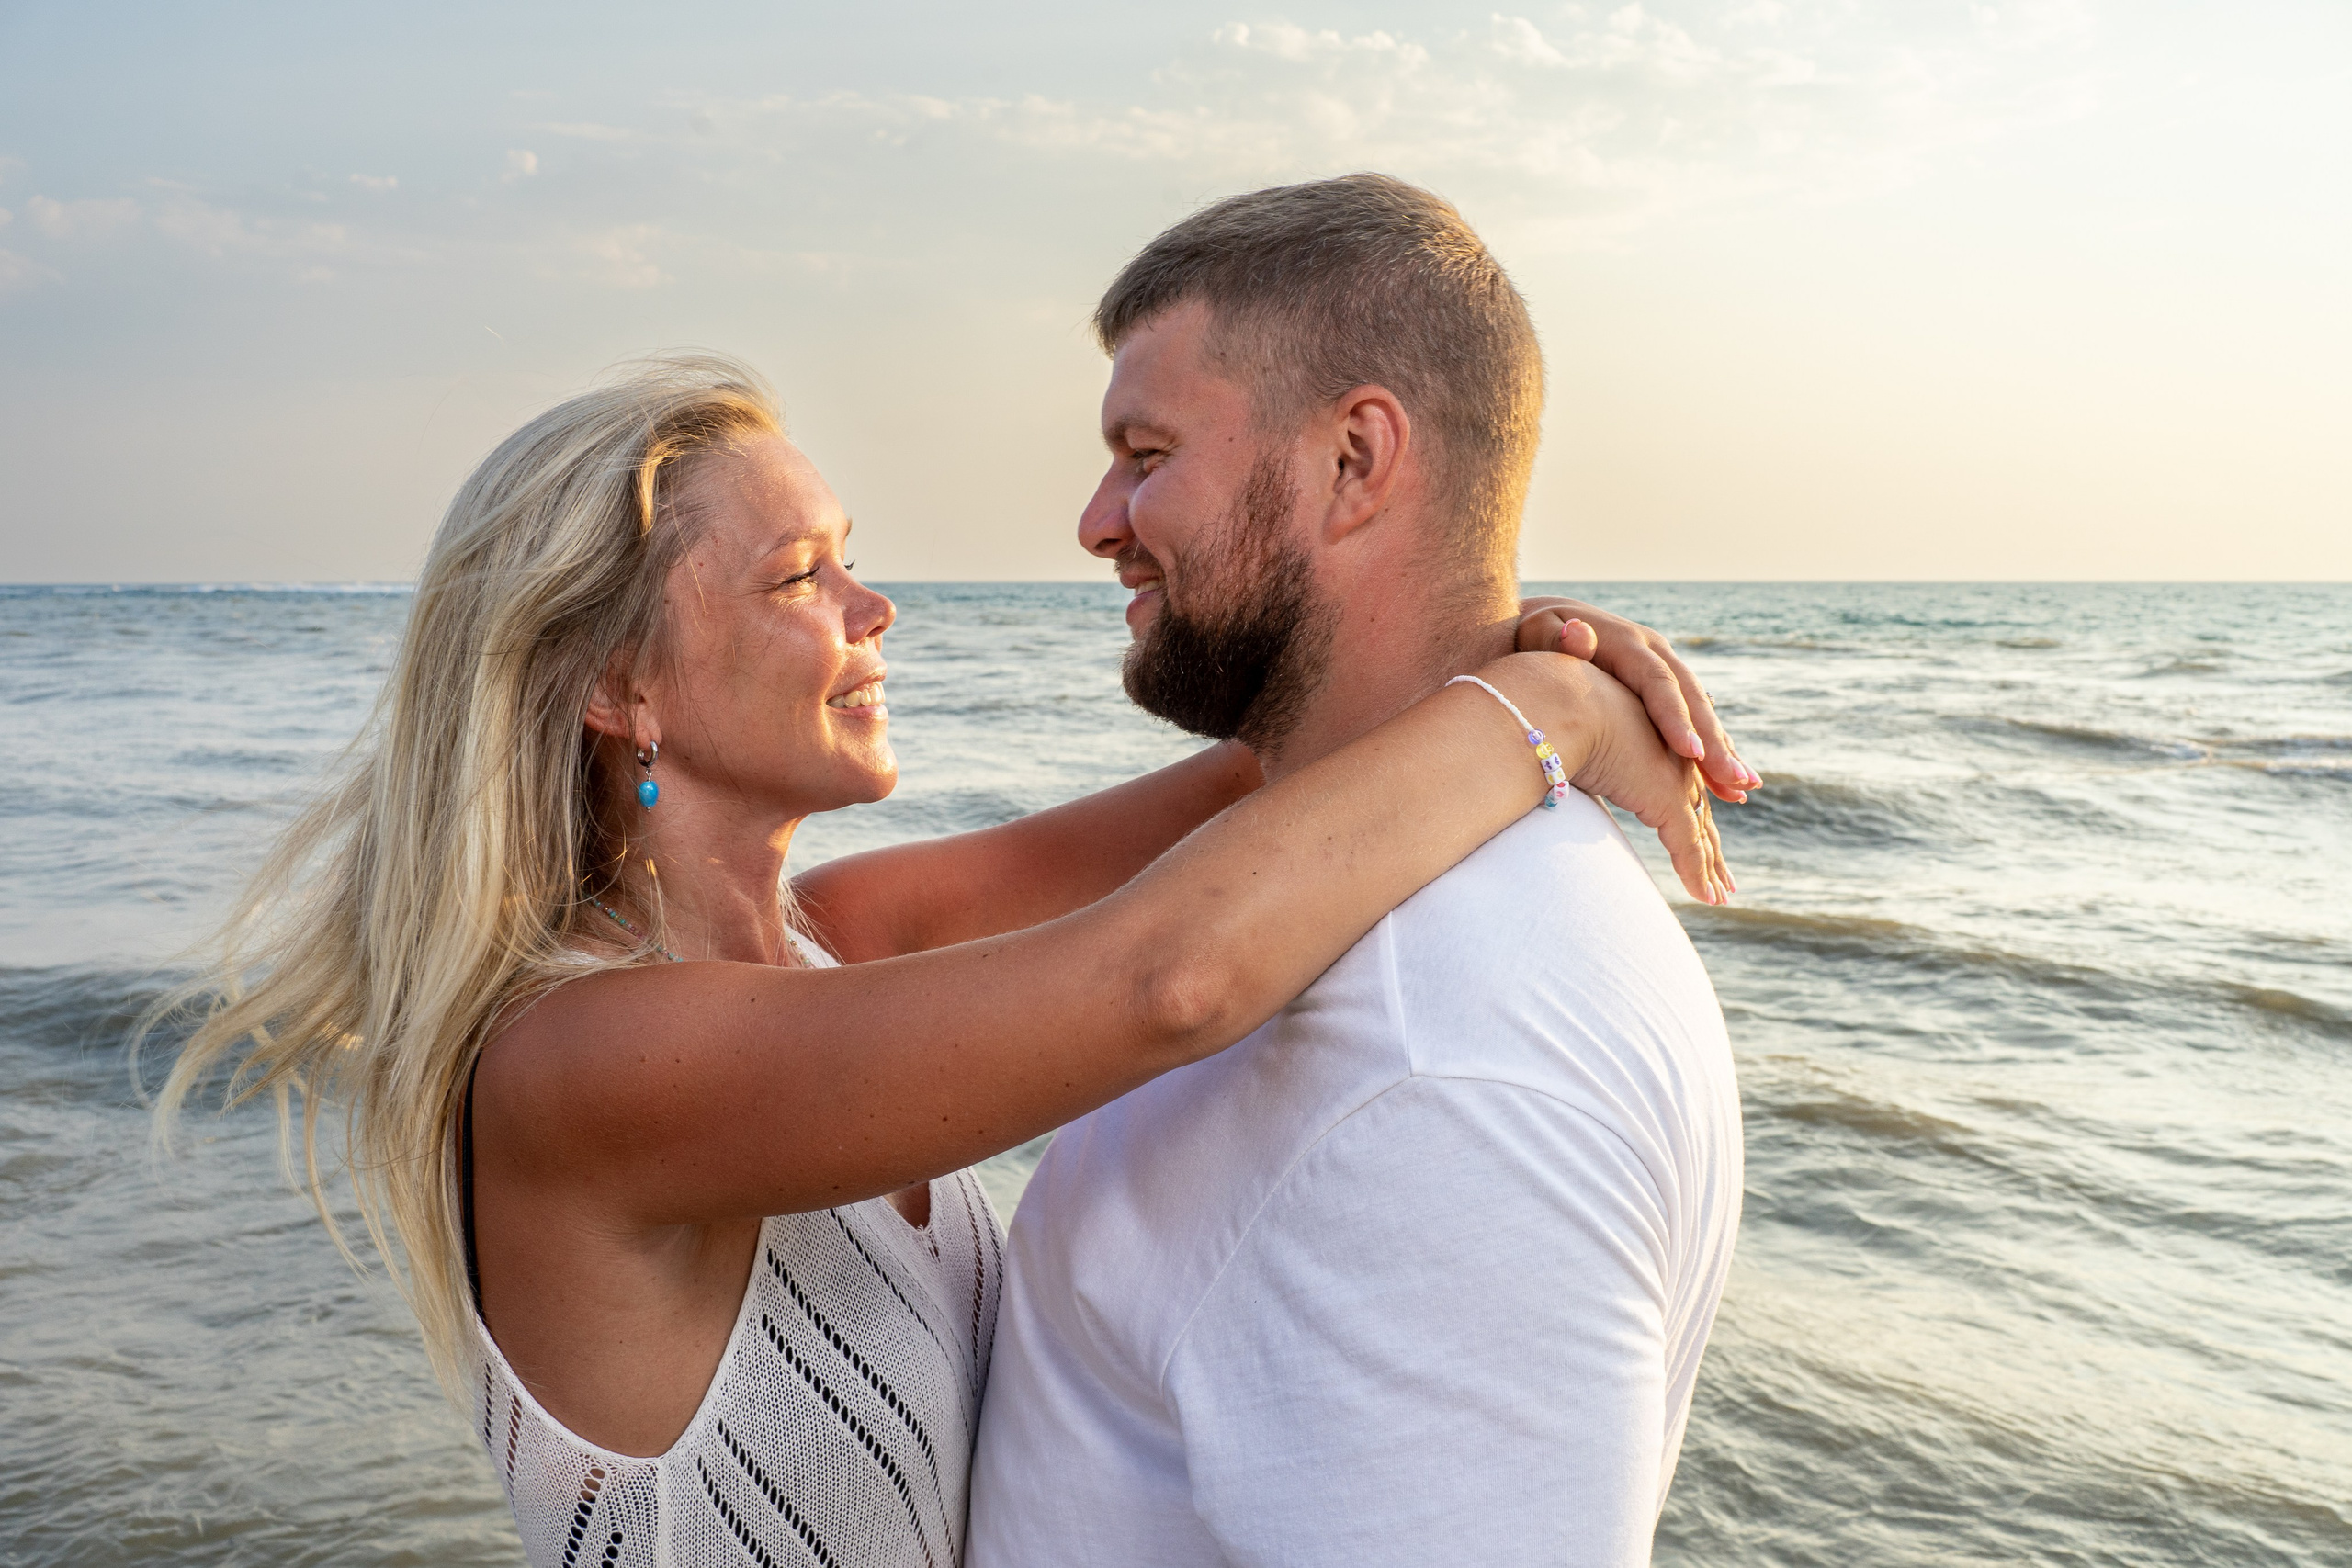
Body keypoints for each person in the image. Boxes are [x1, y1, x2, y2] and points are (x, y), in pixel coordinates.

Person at [147, 355, 1736, 1568]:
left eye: (852, 557)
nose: (877, 608)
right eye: (802, 580)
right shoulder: (582, 1071)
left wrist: (1492, 641)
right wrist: (1560, 719)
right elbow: (1168, 980)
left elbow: (1276, 778)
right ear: (622, 684)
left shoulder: (835, 941)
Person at [967, 175, 1747, 1567]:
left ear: (1354, 461)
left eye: (1146, 453)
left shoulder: (1442, 1066)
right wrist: (1525, 698)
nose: (1097, 519)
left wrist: (1524, 699)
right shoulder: (1315, 891)